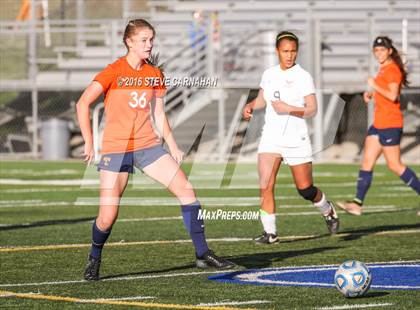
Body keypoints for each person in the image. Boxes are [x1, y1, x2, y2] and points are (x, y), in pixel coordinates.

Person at [76, 19, 234, 281]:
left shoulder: (154, 74)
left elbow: (159, 114)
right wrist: (89, 141)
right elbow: (83, 104)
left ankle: (202, 254)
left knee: (187, 191)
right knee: (108, 215)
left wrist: (171, 144)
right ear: (129, 41)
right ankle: (94, 257)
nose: (149, 45)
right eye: (143, 40)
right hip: (116, 148)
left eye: (151, 40)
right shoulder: (114, 71)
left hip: (147, 145)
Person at [242, 31, 339, 244]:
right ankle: (270, 233)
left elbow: (312, 109)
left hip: (296, 139)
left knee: (305, 189)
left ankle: (327, 209)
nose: (289, 55)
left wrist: (289, 108)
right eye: (285, 51)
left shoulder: (303, 76)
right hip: (271, 138)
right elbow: (261, 100)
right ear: (277, 51)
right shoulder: (269, 74)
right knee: (265, 184)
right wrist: (250, 105)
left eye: (293, 51)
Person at [337, 36, 420, 216]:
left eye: (382, 50)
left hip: (390, 124)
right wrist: (371, 94)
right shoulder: (383, 69)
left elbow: (392, 96)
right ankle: (357, 204)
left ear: (390, 51)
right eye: (376, 50)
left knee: (395, 165)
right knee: (367, 161)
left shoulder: (392, 70)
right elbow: (384, 93)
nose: (379, 53)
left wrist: (374, 85)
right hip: (378, 123)